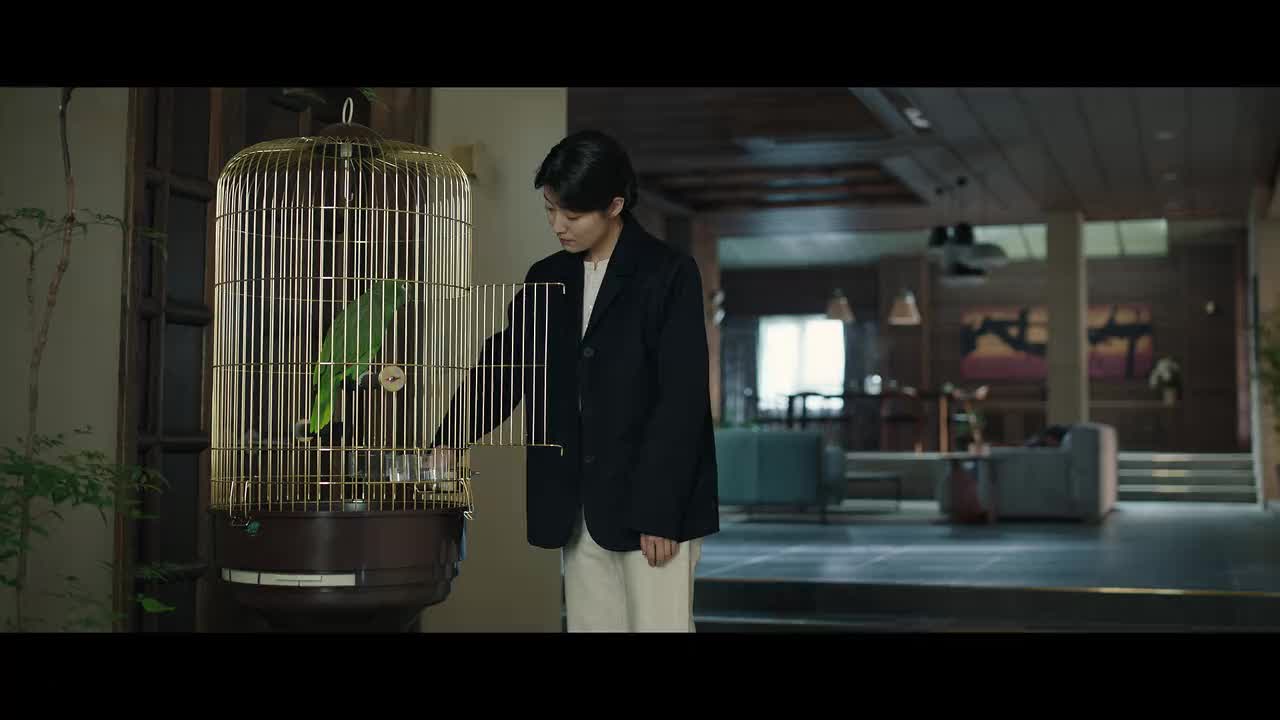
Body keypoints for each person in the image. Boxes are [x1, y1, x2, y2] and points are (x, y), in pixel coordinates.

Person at [431, 129, 719, 632]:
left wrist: (660, 514)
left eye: (572, 214)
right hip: (575, 505)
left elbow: (682, 401)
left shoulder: (668, 273)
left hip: (652, 504)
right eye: (550, 210)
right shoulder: (546, 277)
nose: (557, 225)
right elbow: (506, 367)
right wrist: (451, 438)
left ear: (614, 205)